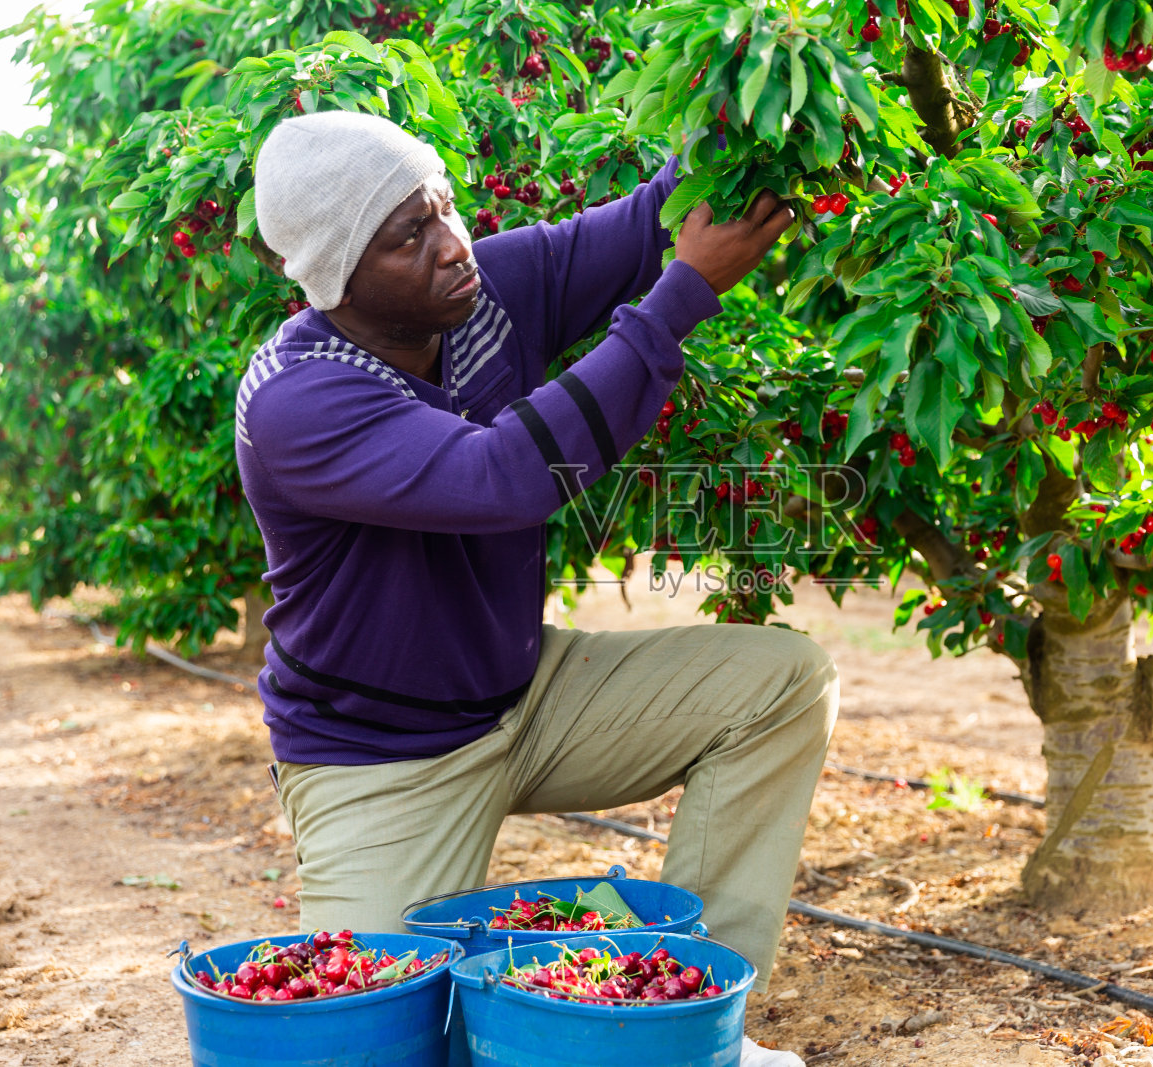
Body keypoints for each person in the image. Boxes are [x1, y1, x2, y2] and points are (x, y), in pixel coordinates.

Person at [240, 111, 838, 1064]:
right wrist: (680, 298)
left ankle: (696, 1031)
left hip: (527, 697)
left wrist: (749, 97)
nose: (452, 244)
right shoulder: (297, 399)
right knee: (381, 1044)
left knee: (780, 683)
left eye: (445, 206)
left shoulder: (485, 290)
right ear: (335, 274)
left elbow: (654, 216)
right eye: (408, 235)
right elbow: (503, 477)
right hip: (380, 757)